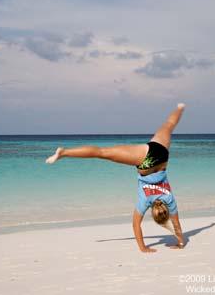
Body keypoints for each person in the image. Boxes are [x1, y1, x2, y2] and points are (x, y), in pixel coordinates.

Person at [46, 103, 186, 253]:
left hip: (160, 154)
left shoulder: (169, 199)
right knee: (102, 154)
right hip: (145, 163)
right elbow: (136, 225)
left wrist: (181, 242)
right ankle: (64, 153)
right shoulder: (145, 201)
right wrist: (143, 248)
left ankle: (180, 107)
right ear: (153, 213)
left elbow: (176, 224)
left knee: (169, 124)